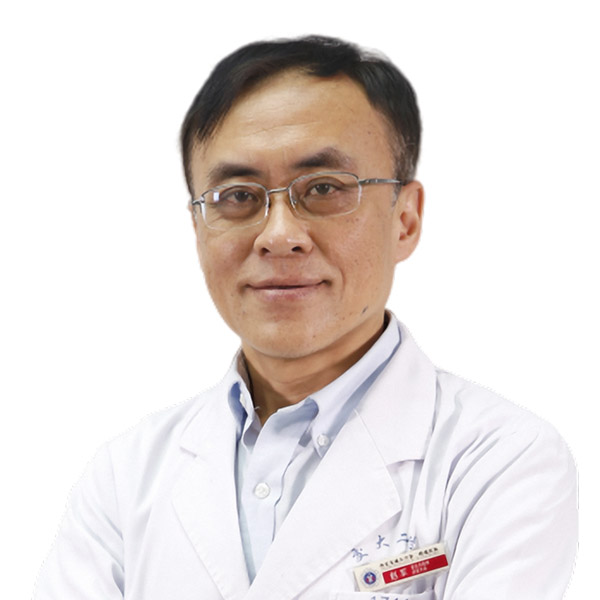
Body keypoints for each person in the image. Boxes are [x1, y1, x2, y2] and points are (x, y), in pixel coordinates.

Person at [34, 35, 577, 600]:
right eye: (237, 196)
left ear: (406, 220)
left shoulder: (500, 460)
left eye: (323, 188)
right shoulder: (125, 477)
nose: (278, 236)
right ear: (197, 227)